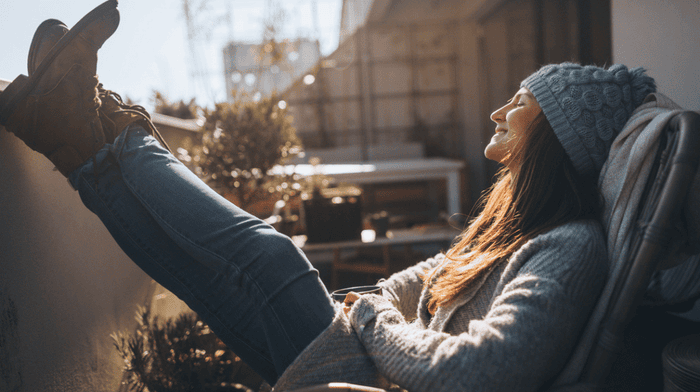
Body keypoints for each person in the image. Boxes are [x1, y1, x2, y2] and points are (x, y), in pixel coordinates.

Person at [0, 2, 657, 391]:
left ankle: (109, 122)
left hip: (379, 382)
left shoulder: (572, 249)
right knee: (212, 280)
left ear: (554, 136)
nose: (496, 111)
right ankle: (78, 143)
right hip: (377, 368)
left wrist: (375, 323)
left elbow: (481, 371)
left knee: (272, 259)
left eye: (520, 104)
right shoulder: (522, 235)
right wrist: (377, 303)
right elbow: (425, 276)